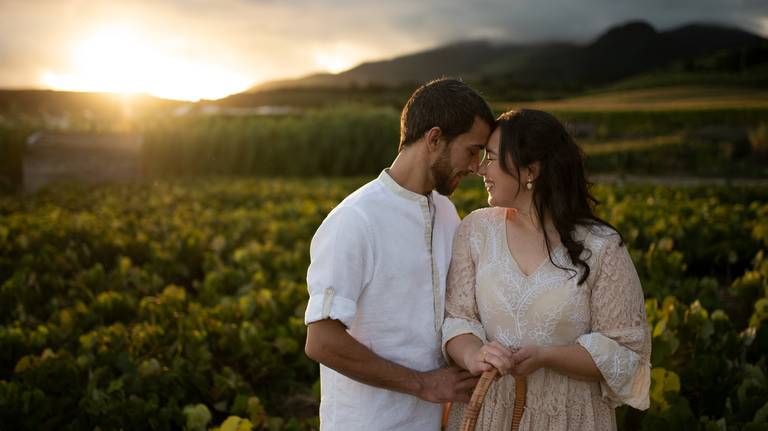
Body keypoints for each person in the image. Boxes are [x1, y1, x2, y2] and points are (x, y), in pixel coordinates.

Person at [303, 78, 496, 430]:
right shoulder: (355, 220)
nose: (475, 166)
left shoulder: (447, 213)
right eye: (472, 150)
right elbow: (322, 343)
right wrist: (425, 384)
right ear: (434, 139)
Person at [442, 109, 651, 430]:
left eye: (493, 158)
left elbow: (625, 351)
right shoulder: (476, 230)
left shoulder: (602, 246)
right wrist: (474, 355)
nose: (481, 168)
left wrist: (545, 356)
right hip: (488, 411)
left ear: (530, 171)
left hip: (569, 416)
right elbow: (458, 318)